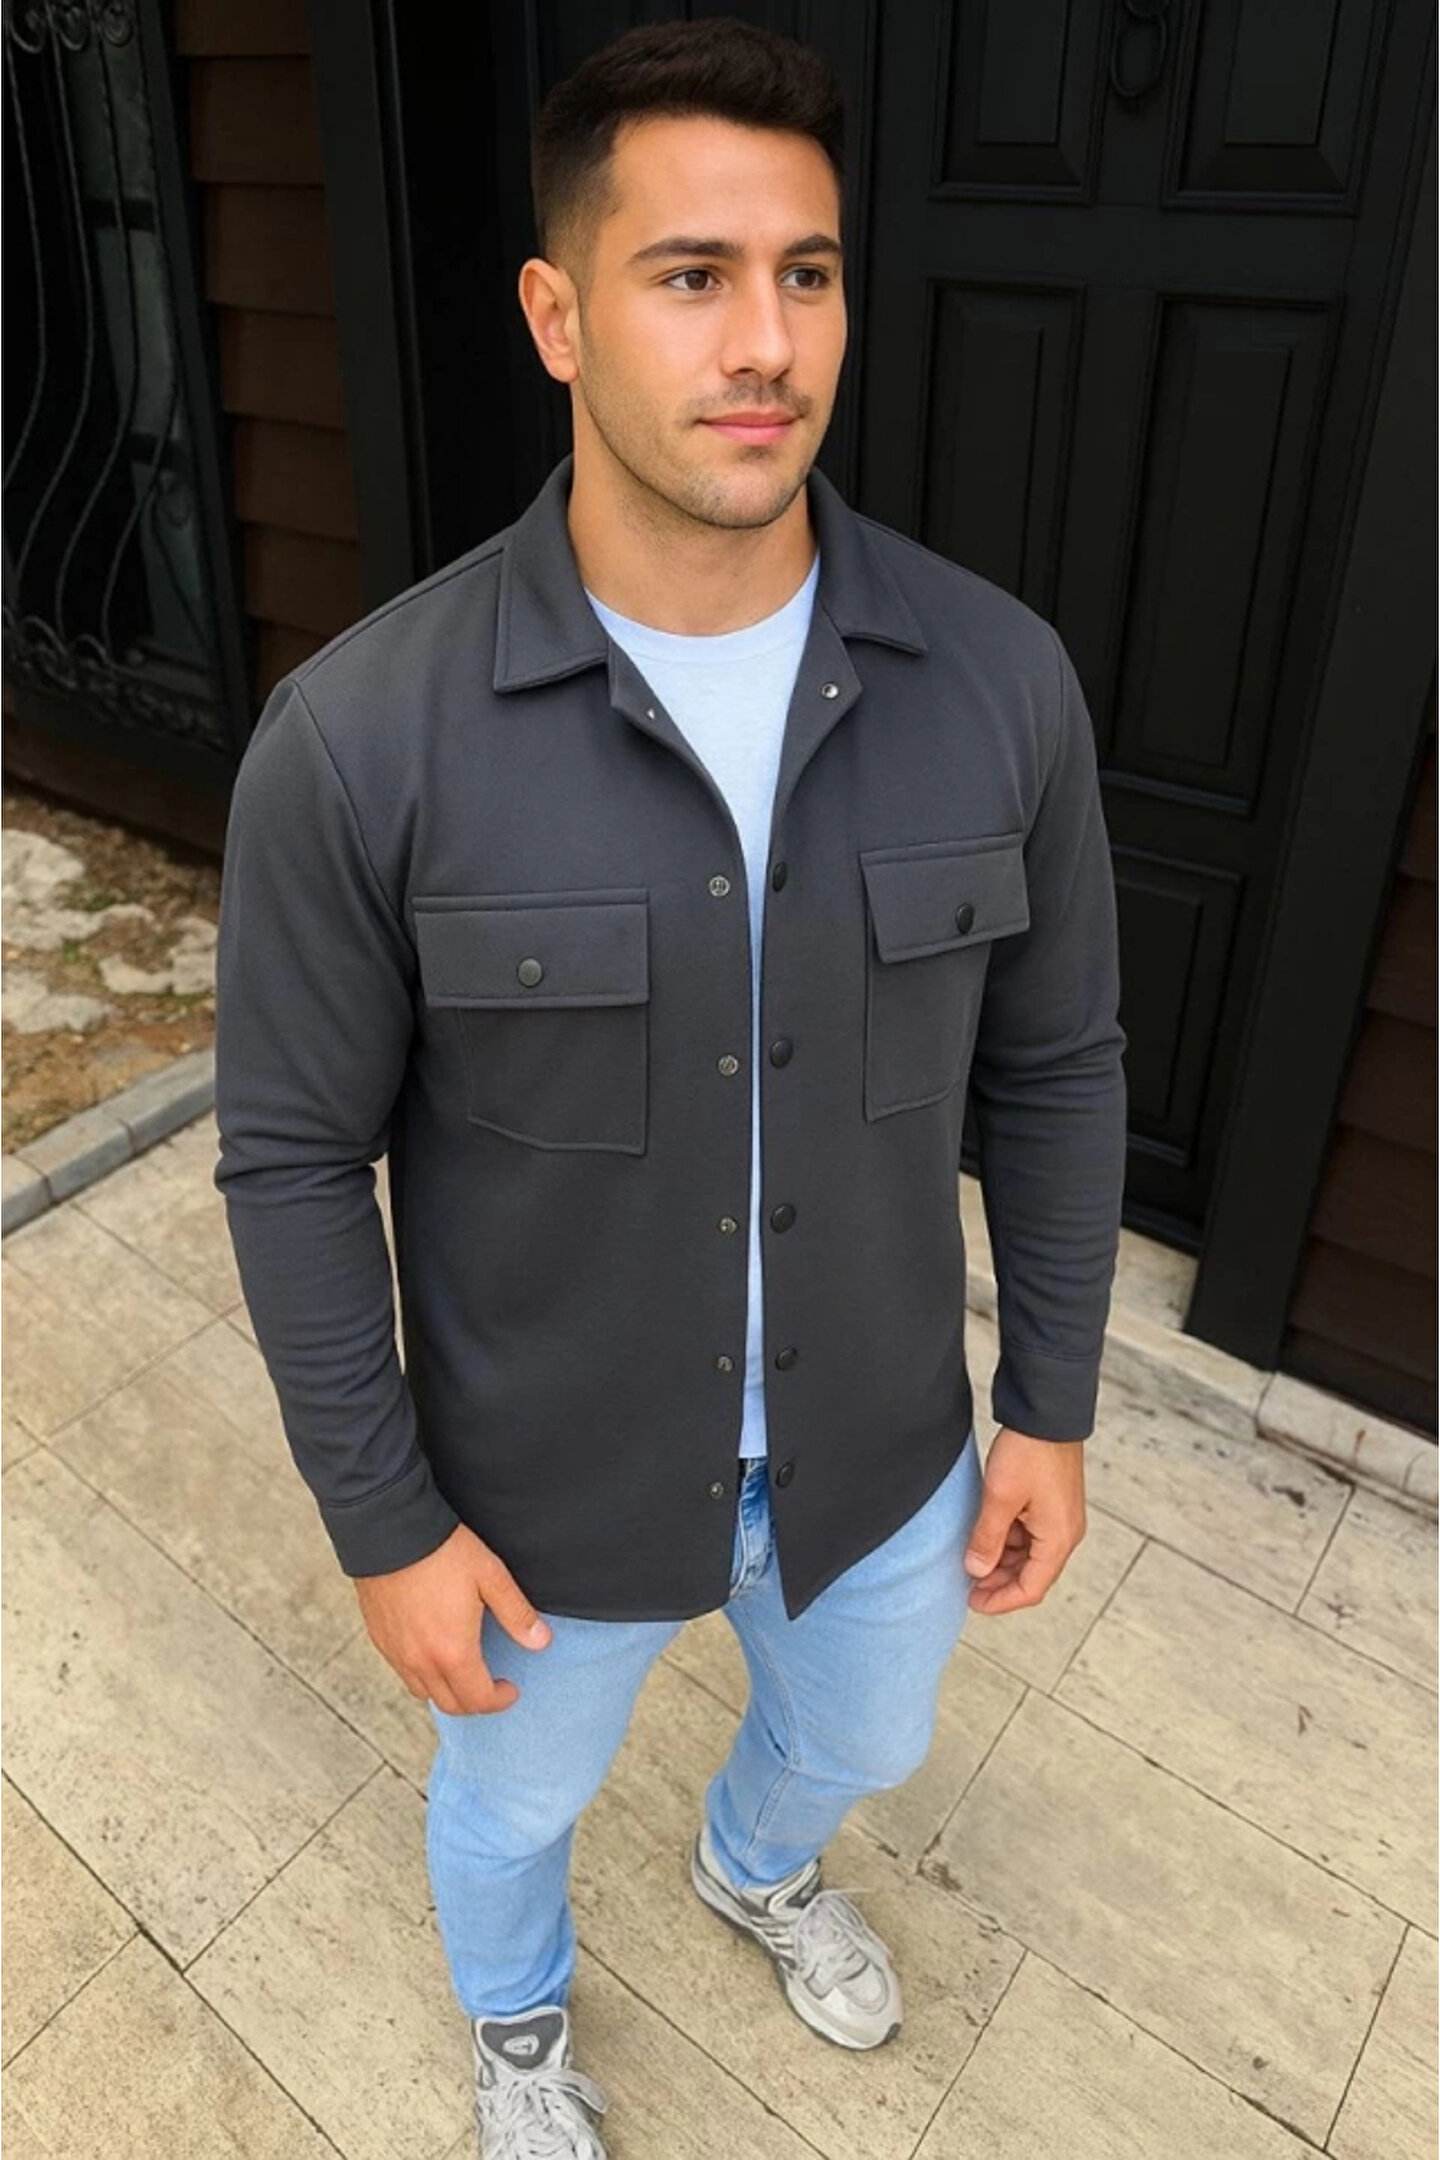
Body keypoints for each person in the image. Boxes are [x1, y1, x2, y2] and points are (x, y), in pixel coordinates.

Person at [212, 17, 1128, 2158]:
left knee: (871, 1742)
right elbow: (289, 1158)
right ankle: (518, 2025)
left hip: (882, 1446)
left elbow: (1061, 1061)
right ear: (558, 316)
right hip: (538, 1493)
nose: (765, 341)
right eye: (691, 274)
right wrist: (385, 1521)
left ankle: (751, 1862)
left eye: (806, 273)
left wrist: (1056, 1398)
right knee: (509, 1800)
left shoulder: (1000, 684)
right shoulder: (363, 740)